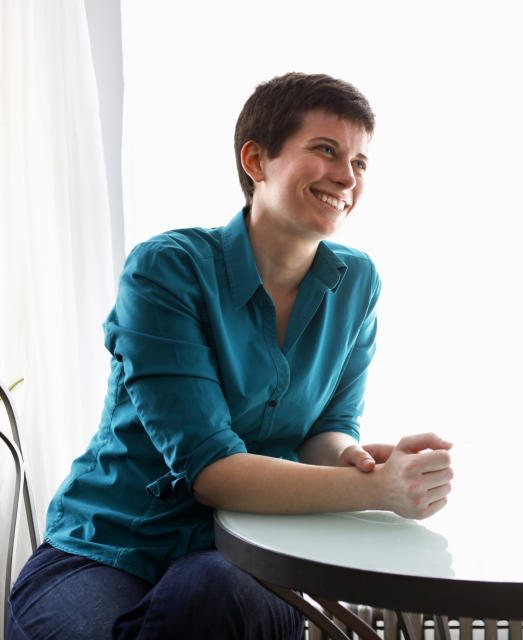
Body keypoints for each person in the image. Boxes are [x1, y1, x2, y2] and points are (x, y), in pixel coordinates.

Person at [5, 72, 453, 640]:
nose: (347, 176)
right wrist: (377, 492)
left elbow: (327, 430)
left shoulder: (357, 282)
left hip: (251, 552)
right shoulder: (167, 270)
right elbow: (212, 473)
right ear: (256, 161)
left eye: (361, 162)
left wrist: (363, 463)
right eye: (326, 150)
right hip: (108, 545)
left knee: (213, 592)